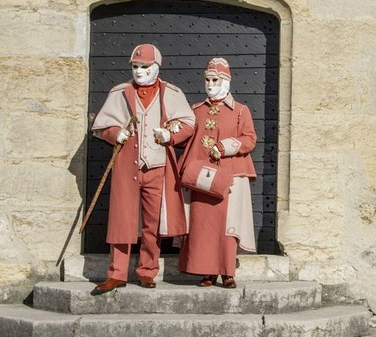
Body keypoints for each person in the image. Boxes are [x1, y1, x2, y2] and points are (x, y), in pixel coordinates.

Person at [90, 43, 195, 295]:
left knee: (153, 223)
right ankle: (116, 274)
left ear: (156, 67)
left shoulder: (171, 92)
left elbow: (189, 123)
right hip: (127, 166)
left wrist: (169, 134)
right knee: (121, 221)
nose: (139, 71)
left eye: (145, 66)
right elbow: (102, 126)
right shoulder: (120, 92)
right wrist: (116, 133)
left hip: (157, 165)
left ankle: (147, 272)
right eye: (136, 66)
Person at [178, 57, 257, 288]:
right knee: (202, 226)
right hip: (201, 177)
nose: (211, 84)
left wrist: (224, 146)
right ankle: (207, 272)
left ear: (226, 81)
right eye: (208, 80)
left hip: (230, 176)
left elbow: (249, 139)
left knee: (227, 226)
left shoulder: (241, 110)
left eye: (215, 79)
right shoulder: (195, 110)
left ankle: (227, 272)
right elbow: (185, 136)